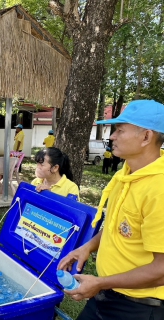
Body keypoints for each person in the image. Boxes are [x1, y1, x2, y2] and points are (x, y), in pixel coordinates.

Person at [58, 100, 164, 320]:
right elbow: (118, 227)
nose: (112, 136)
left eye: (120, 130)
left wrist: (101, 282)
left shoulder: (158, 190)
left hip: (139, 308)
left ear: (146, 137)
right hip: (106, 292)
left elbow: (161, 270)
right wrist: (87, 247)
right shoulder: (125, 175)